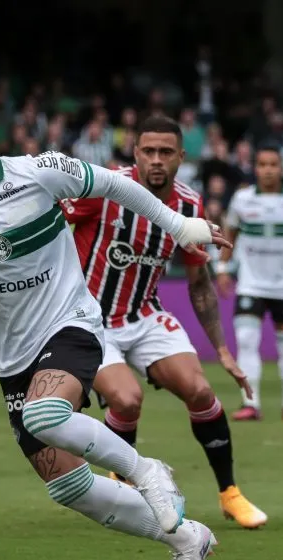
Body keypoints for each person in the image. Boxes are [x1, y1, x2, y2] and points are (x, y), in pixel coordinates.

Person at [0, 98, 228, 560]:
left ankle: (147, 471)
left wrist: (180, 226)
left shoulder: (39, 172)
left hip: (69, 324)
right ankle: (189, 539)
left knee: (44, 415)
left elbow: (117, 184)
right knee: (69, 487)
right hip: (11, 358)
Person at [62, 116, 267, 529]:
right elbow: (51, 220)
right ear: (136, 153)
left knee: (201, 391)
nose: (156, 160)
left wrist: (222, 350)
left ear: (181, 157)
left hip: (144, 313)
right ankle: (123, 478)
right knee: (127, 399)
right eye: (149, 151)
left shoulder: (189, 206)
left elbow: (200, 282)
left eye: (166, 152)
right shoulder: (104, 188)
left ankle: (230, 493)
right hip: (90, 320)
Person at [216, 144, 283, 422]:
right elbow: (230, 233)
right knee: (246, 340)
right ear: (256, 168)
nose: (268, 170)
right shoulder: (242, 199)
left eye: (273, 165)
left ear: (281, 168)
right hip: (251, 284)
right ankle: (250, 404)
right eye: (263, 164)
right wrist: (222, 268)